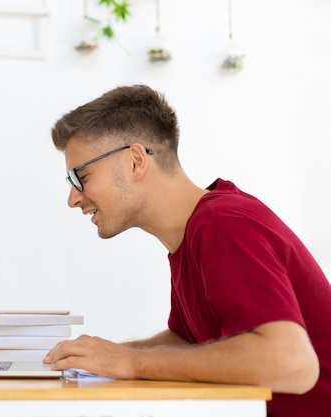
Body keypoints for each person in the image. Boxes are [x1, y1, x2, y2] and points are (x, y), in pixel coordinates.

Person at [43, 84, 331, 417]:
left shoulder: (220, 224)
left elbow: (292, 363)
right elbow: (191, 342)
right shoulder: (193, 233)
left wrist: (132, 361)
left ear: (135, 161)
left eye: (81, 176)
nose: (73, 198)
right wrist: (101, 356)